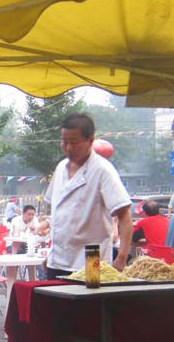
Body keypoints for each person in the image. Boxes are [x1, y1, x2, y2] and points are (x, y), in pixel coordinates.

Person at [43, 113, 132, 277]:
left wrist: (121, 256)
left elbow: (125, 216)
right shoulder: (61, 168)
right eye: (64, 142)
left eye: (74, 143)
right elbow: (59, 215)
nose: (68, 148)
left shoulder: (102, 170)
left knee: (87, 302)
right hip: (58, 259)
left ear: (90, 141)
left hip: (92, 259)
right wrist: (51, 253)